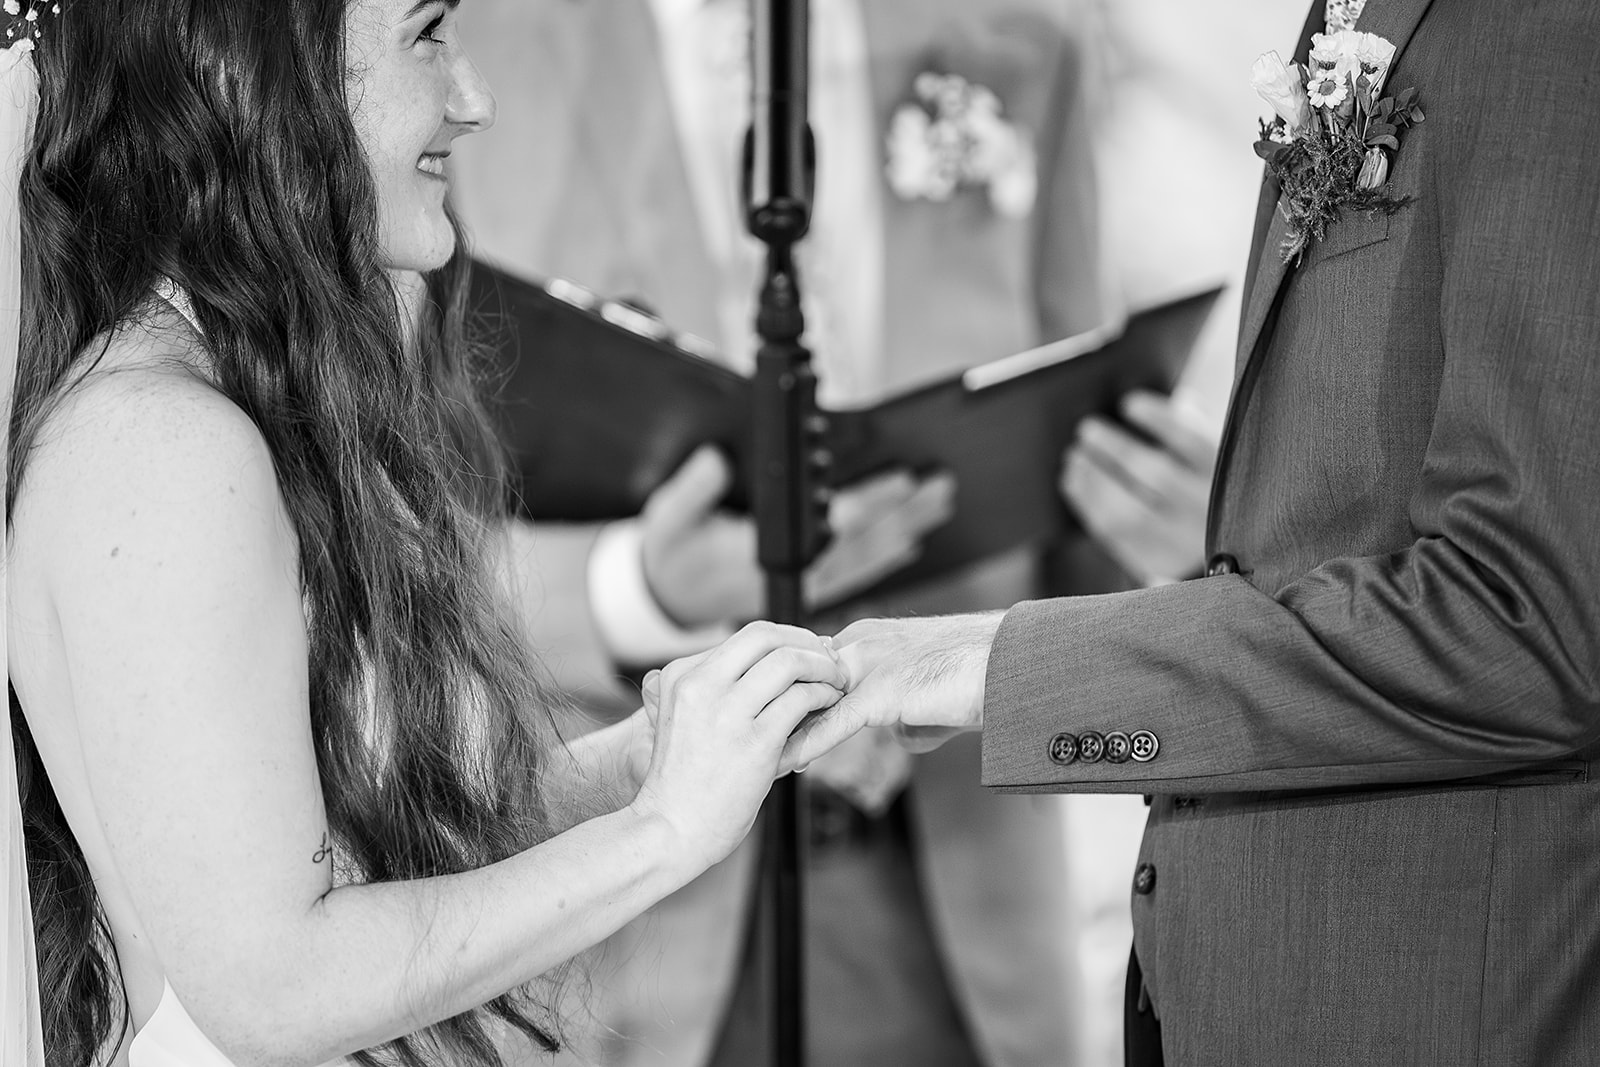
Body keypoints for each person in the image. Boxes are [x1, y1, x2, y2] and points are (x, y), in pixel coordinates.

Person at [3, 2, 850, 1065]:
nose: (474, 99)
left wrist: (638, 765)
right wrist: (662, 832)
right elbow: (276, 983)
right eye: (426, 34)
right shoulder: (161, 443)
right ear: (244, 67)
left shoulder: (239, 400)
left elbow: (350, 839)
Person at [789, 0, 1600, 1063]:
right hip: (1251, 984)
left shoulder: (1541, 26)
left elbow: (1522, 616)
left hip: (1425, 998)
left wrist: (1004, 665)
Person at [450, 2, 1148, 1064]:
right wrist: (638, 587)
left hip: (954, 897)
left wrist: (1168, 532)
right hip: (621, 922)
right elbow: (387, 536)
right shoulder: (464, 57)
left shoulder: (1019, 36)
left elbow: (1070, 481)